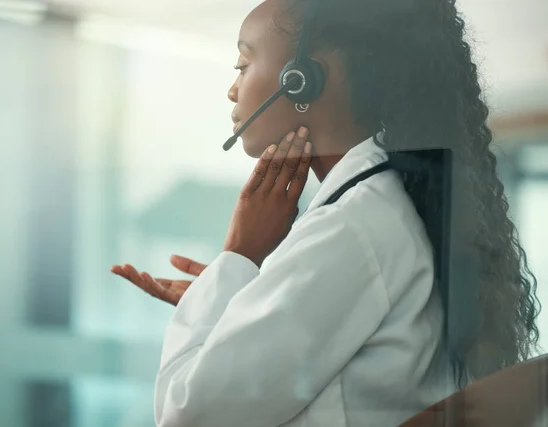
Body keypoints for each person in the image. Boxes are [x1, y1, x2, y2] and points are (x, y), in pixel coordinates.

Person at [111, 0, 541, 426]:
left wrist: (241, 253)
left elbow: (187, 415)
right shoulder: (386, 206)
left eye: (243, 65)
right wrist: (234, 309)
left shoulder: (351, 227)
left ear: (302, 81)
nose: (232, 89)